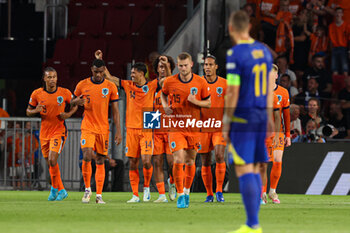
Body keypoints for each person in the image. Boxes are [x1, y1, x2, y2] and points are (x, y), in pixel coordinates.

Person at [223, 10, 274, 233]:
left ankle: (252, 224)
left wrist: (226, 119)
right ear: (250, 27)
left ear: (231, 28)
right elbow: (271, 83)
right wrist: (270, 115)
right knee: (253, 166)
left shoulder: (236, 53)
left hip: (242, 116)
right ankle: (253, 222)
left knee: (244, 169)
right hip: (261, 115)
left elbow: (233, 90)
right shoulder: (264, 51)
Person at [102, 59, 158, 203]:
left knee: (146, 161)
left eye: (134, 73)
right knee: (133, 162)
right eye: (131, 72)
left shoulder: (152, 85)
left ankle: (146, 188)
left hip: (147, 127)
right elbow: (109, 77)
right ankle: (135, 194)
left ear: (142, 73)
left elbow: (167, 81)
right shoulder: (128, 85)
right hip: (131, 128)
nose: (131, 75)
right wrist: (101, 61)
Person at [161, 52, 211, 208]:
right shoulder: (169, 82)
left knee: (190, 161)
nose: (183, 68)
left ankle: (187, 192)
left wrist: (195, 101)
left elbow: (208, 103)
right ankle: (181, 194)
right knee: (178, 159)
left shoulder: (200, 82)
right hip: (176, 127)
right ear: (178, 66)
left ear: (191, 65)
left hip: (193, 127)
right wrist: (165, 107)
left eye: (185, 65)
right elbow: (163, 95)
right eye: (180, 66)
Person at [71, 59, 122, 204]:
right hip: (88, 125)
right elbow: (72, 101)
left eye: (100, 72)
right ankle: (87, 190)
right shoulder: (82, 84)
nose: (98, 74)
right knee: (87, 154)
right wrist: (76, 102)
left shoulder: (110, 86)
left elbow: (116, 111)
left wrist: (118, 131)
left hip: (103, 128)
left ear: (104, 70)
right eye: (95, 72)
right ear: (91, 70)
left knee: (100, 160)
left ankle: (99, 195)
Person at [26, 67, 77, 201]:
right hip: (44, 132)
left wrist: (68, 114)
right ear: (44, 79)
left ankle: (58, 190)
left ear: (57, 78)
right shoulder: (37, 94)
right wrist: (35, 110)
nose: (52, 80)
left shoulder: (64, 92)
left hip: (59, 131)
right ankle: (58, 189)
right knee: (49, 163)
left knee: (53, 159)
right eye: (49, 77)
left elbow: (75, 104)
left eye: (54, 77)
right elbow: (28, 111)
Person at [198, 55, 227, 203]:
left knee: (220, 156)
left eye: (210, 65)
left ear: (216, 67)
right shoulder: (198, 83)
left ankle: (219, 191)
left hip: (219, 127)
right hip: (203, 128)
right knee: (205, 161)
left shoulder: (224, 84)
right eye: (205, 65)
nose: (207, 67)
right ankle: (209, 193)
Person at [263, 64, 291, 204]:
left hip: (278, 132)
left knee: (278, 161)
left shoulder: (283, 92)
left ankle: (272, 191)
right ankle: (262, 193)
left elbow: (286, 115)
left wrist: (288, 134)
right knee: (263, 164)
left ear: (276, 75)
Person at [152, 55, 177, 202]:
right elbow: (148, 109)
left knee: (172, 162)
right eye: (159, 66)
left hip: (171, 130)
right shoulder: (152, 87)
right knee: (157, 162)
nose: (162, 69)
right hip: (157, 131)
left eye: (165, 66)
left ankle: (172, 183)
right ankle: (162, 194)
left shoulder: (174, 84)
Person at [261, 65, 281, 205]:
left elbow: (277, 116)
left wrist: (276, 136)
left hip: (267, 135)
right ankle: (260, 193)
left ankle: (263, 194)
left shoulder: (273, 96)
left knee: (264, 165)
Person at [328, 7, 350, 77]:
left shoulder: (347, 25)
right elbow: (331, 40)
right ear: (334, 14)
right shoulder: (331, 26)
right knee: (334, 69)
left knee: (345, 69)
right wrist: (331, 51)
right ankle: (335, 87)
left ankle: (347, 87)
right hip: (334, 49)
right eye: (337, 12)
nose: (338, 14)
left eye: (340, 12)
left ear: (342, 14)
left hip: (344, 48)